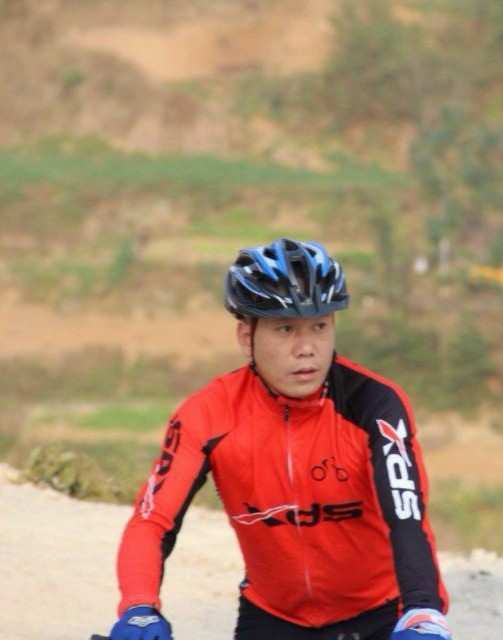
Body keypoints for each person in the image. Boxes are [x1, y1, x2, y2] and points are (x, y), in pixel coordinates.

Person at [107, 238, 451, 640]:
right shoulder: (207, 414)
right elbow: (152, 521)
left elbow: (407, 516)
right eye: (285, 329)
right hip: (273, 617)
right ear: (246, 336)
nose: (306, 349)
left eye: (320, 326)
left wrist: (423, 610)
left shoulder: (374, 403)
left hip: (380, 613)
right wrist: (139, 607)